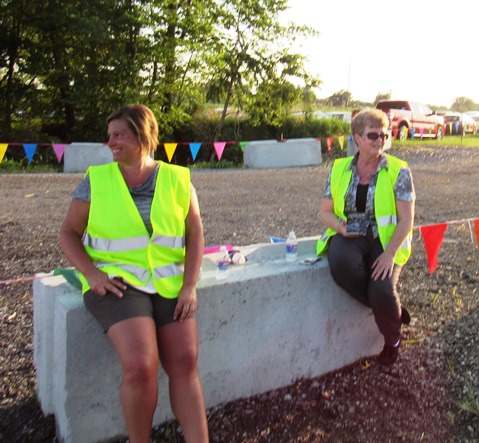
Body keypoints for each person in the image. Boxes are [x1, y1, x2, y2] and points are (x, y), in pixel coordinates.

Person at [60, 104, 209, 442]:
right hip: (117, 285)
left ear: (142, 135)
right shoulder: (96, 180)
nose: (110, 142)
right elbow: (67, 233)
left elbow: (195, 233)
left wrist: (189, 286)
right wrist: (92, 275)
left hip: (169, 282)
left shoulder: (177, 178)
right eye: (109, 135)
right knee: (141, 366)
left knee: (185, 361)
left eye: (118, 135)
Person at [317, 108, 415, 365]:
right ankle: (394, 311)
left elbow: (407, 219)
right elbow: (324, 212)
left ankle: (392, 339)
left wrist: (389, 254)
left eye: (384, 135)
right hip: (352, 233)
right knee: (340, 263)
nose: (380, 140)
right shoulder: (339, 169)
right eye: (373, 135)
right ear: (357, 138)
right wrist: (339, 228)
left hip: (387, 240)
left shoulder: (399, 170)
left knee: (382, 289)